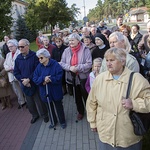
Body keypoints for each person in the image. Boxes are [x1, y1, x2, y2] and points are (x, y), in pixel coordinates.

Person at [86, 47, 150, 150]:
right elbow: (91, 103)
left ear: (123, 61)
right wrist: (92, 122)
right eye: (107, 60)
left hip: (128, 137)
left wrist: (134, 104)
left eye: (112, 60)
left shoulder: (137, 79)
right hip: (105, 134)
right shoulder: (100, 79)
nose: (108, 63)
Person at [14, 39, 49, 124]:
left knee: (39, 101)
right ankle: (34, 115)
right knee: (30, 103)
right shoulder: (18, 59)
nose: (20, 49)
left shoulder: (34, 56)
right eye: (19, 47)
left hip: (35, 83)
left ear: (27, 46)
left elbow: (37, 70)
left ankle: (45, 115)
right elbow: (16, 72)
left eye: (22, 46)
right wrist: (23, 81)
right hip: (25, 84)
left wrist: (29, 79)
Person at [60, 33, 92, 120]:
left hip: (83, 78)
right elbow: (62, 63)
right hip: (72, 78)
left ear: (78, 40)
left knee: (86, 96)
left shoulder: (85, 49)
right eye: (69, 40)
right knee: (76, 97)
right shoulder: (66, 51)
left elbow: (89, 64)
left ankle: (90, 112)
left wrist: (77, 68)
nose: (71, 42)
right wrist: (70, 67)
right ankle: (80, 112)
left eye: (72, 40)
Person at [33, 48, 66, 129]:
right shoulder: (39, 66)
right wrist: (43, 79)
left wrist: (50, 79)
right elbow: (35, 78)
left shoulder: (55, 64)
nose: (39, 59)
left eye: (41, 58)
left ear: (47, 57)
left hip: (55, 90)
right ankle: (53, 121)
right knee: (49, 107)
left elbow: (59, 76)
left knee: (59, 106)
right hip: (45, 91)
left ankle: (62, 121)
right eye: (38, 58)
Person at [4, 39, 26, 109]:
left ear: (16, 46)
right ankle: (22, 102)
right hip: (11, 75)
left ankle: (28, 101)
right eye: (9, 47)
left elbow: (20, 64)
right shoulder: (8, 55)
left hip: (19, 74)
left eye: (11, 46)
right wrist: (8, 68)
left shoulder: (19, 53)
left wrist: (12, 68)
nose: (10, 48)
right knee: (16, 89)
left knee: (23, 88)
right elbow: (5, 64)